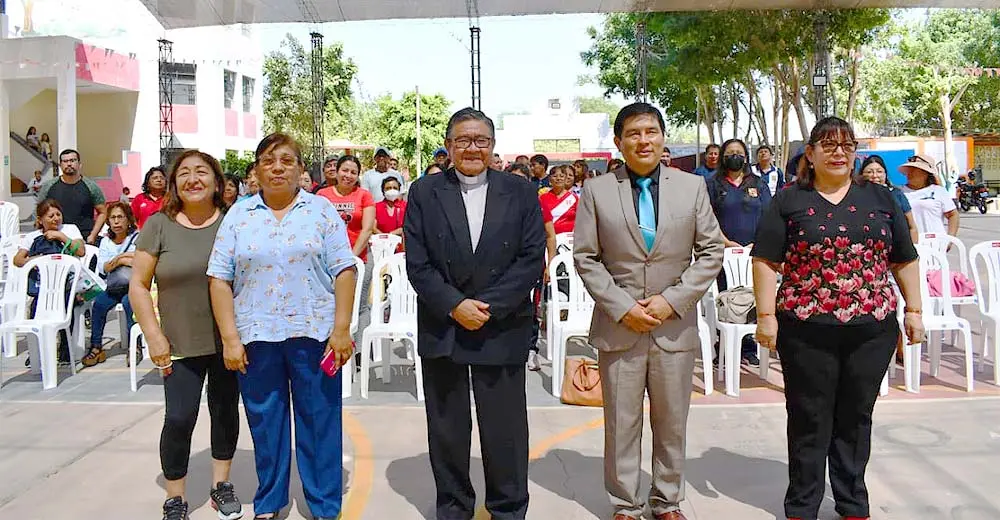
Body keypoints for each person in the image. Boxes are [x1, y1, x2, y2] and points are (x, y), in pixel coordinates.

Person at [751, 116, 924, 520]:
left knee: (856, 416)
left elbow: (904, 259)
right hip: (805, 329)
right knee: (809, 417)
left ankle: (852, 504)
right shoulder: (789, 200)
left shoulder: (882, 199)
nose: (838, 152)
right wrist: (765, 317)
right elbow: (764, 261)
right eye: (827, 145)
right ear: (809, 154)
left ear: (855, 153)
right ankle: (802, 506)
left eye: (846, 145)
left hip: (871, 330)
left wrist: (914, 309)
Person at [574, 102, 724, 520]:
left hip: (672, 326)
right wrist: (623, 308)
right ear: (619, 142)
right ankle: (625, 503)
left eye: (651, 132)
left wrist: (670, 300)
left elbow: (711, 251)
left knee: (672, 422)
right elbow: (585, 257)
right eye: (634, 133)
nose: (644, 140)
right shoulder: (597, 191)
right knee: (621, 423)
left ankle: (666, 501)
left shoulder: (691, 187)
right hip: (619, 326)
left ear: (663, 138)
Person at [404, 107, 545, 520]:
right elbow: (418, 262)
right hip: (444, 323)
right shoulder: (424, 192)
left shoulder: (519, 192)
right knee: (447, 428)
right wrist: (454, 305)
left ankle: (508, 508)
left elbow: (531, 256)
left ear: (493, 146)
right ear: (447, 147)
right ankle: (453, 506)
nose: (471, 148)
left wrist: (489, 307)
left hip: (500, 324)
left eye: (480, 140)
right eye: (462, 140)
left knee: (504, 430)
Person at [208, 133, 357, 520]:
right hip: (257, 337)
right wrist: (229, 339)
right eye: (269, 161)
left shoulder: (321, 211)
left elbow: (344, 269)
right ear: (256, 170)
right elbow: (219, 279)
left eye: (287, 161)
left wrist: (341, 329)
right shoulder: (239, 215)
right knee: (266, 424)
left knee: (319, 422)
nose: (277, 168)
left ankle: (324, 505)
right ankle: (271, 500)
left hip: (315, 335)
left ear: (301, 170)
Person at [129, 150, 244, 520]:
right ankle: (175, 497)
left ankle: (221, 485)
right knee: (179, 417)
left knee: (225, 411)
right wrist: (154, 334)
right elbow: (138, 285)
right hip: (176, 343)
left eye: (202, 172)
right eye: (185, 173)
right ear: (175, 182)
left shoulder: (232, 222)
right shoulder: (158, 225)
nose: (193, 179)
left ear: (217, 181)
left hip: (227, 340)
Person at [705, 138, 772, 367]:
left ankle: (749, 348)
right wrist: (725, 242)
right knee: (726, 299)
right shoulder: (713, 184)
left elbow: (769, 215)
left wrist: (757, 243)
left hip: (754, 251)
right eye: (730, 152)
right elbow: (707, 218)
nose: (735, 156)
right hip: (723, 251)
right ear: (723, 157)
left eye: (739, 152)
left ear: (746, 157)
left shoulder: (758, 183)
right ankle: (722, 347)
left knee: (752, 298)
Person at [15, 199, 87, 366]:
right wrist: (39, 260)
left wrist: (61, 236)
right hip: (43, 286)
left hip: (66, 285)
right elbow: (18, 260)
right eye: (50, 216)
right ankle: (37, 351)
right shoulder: (33, 237)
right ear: (40, 219)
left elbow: (81, 251)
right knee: (35, 311)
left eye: (58, 214)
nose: (56, 219)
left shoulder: (69, 229)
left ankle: (65, 348)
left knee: (64, 305)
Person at [81, 201, 138, 368]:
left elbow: (139, 263)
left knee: (129, 304)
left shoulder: (137, 237)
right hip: (113, 287)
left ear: (128, 220)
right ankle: (96, 346)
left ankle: (134, 346)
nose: (116, 221)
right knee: (99, 304)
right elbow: (103, 268)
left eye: (120, 217)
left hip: (133, 286)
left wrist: (117, 260)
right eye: (113, 218)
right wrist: (124, 258)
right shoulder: (106, 242)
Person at [37, 149, 107, 245]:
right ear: (60, 165)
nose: (69, 164)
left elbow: (103, 212)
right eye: (65, 161)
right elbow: (39, 210)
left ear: (79, 164)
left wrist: (93, 235)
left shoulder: (91, 186)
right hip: (55, 237)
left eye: (72, 160)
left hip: (85, 238)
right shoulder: (48, 186)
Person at [858, 155, 918, 244]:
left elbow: (912, 226)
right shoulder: (857, 196)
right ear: (862, 174)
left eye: (879, 171)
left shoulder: (896, 194)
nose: (875, 176)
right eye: (869, 172)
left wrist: (914, 248)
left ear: (885, 174)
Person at [898, 153, 960, 237]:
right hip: (908, 244)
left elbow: (953, 215)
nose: (910, 173)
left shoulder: (938, 191)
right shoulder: (898, 192)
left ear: (925, 173)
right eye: (909, 170)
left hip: (935, 243)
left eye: (914, 170)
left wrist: (950, 238)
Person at [374, 176, 406, 251]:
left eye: (395, 188)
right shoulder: (376, 207)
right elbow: (373, 228)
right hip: (381, 247)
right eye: (388, 188)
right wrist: (386, 238)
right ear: (383, 191)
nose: (392, 190)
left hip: (402, 248)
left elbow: (408, 226)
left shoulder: (405, 206)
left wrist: (393, 234)